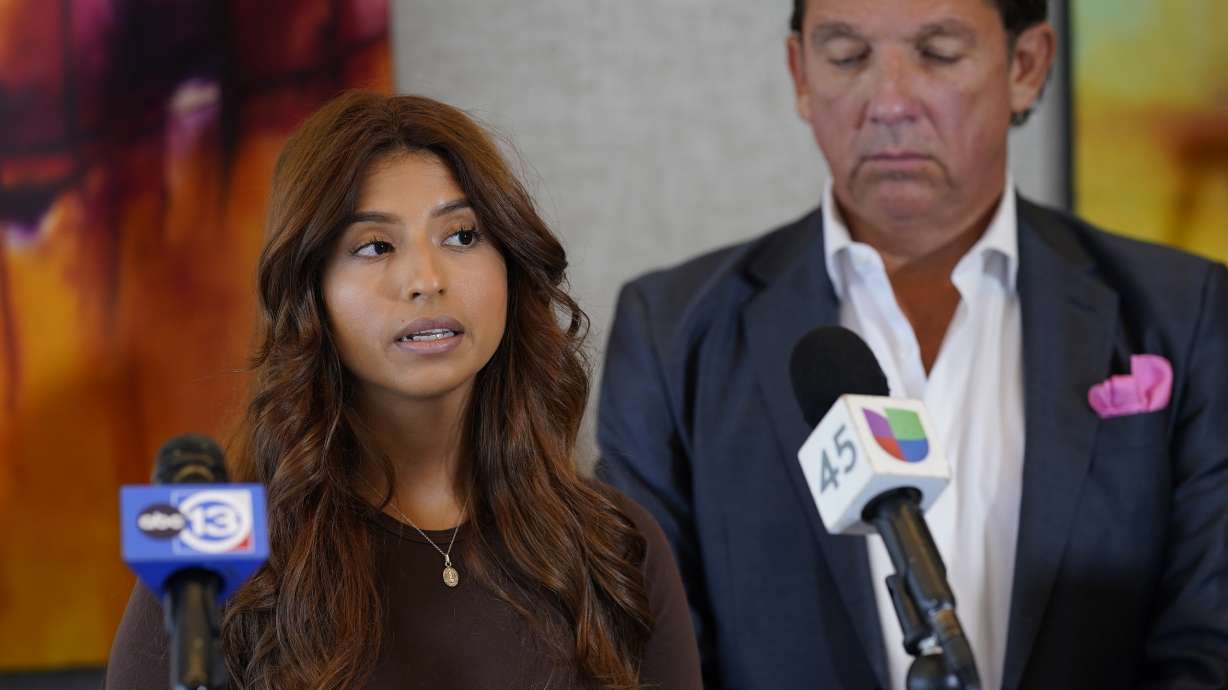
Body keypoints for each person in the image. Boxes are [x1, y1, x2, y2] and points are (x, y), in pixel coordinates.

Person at [597, 1, 1228, 689]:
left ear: (1026, 65)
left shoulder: (1182, 312)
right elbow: (647, 657)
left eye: (938, 53)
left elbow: (1208, 640)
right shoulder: (672, 330)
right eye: (847, 57)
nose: (889, 101)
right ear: (800, 74)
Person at [106, 91, 702, 690]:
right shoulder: (207, 557)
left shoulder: (618, 546)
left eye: (463, 236)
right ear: (310, 293)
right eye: (375, 247)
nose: (426, 279)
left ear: (511, 266)